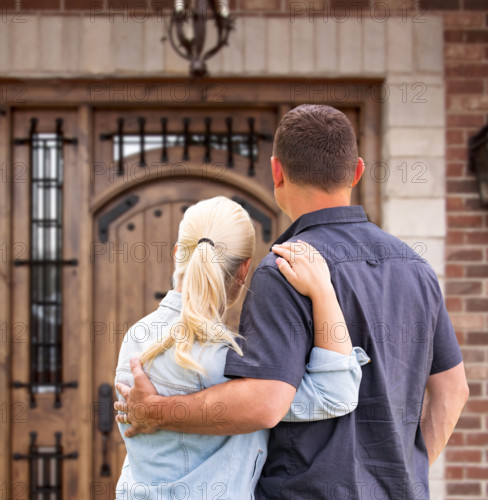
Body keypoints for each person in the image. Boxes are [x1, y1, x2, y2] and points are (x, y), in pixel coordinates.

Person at [115, 105, 469, 499]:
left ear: (276, 172)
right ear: (357, 172)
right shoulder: (417, 269)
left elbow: (264, 402)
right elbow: (453, 392)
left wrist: (158, 411)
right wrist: (405, 478)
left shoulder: (284, 269)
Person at [114, 196, 369, 499]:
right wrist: (323, 291)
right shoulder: (228, 360)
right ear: (244, 271)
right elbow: (335, 392)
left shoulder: (135, 336)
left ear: (176, 254)